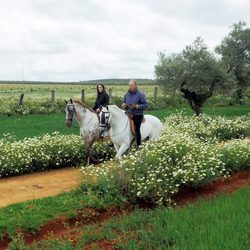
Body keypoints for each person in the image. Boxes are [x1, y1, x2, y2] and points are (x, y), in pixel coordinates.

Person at [122, 80, 148, 147]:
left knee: (136, 130)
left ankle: (138, 145)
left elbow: (145, 105)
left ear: (135, 85)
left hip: (137, 115)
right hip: (128, 113)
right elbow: (124, 103)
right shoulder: (126, 95)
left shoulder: (141, 95)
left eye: (131, 85)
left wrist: (137, 106)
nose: (130, 86)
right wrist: (124, 105)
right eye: (129, 85)